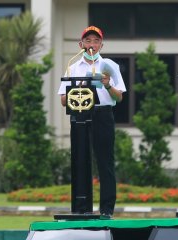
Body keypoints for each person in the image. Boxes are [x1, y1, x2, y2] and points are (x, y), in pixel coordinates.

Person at [58, 25, 126, 219]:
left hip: (102, 114)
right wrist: (77, 88)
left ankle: (106, 209)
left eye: (96, 41)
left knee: (105, 162)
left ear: (101, 45)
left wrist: (108, 84)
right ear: (81, 44)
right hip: (80, 115)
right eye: (88, 41)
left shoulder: (110, 66)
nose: (92, 45)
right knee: (80, 159)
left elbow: (119, 97)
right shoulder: (73, 66)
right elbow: (63, 100)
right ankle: (81, 207)